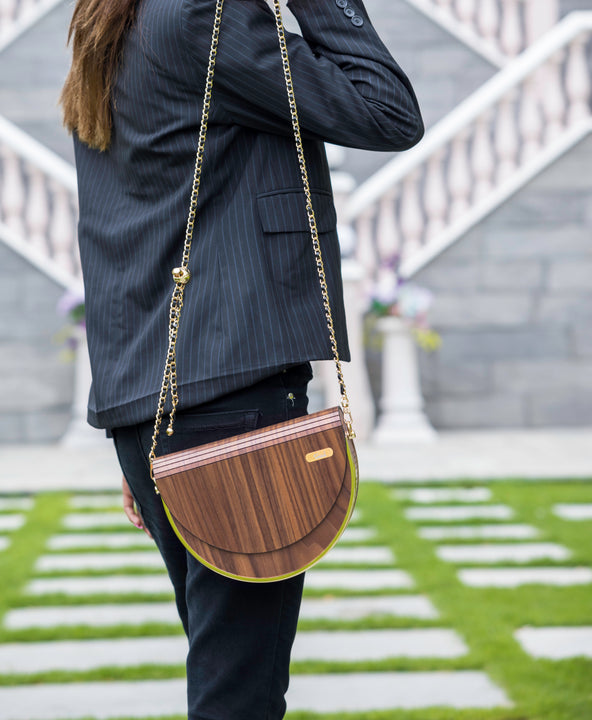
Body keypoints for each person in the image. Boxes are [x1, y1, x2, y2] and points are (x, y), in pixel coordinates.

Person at [61, 0, 423, 717]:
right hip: (227, 404)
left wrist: (142, 433)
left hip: (161, 404)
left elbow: (120, 224)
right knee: (241, 695)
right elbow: (387, 113)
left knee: (228, 671)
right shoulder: (206, 17)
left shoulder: (112, 17)